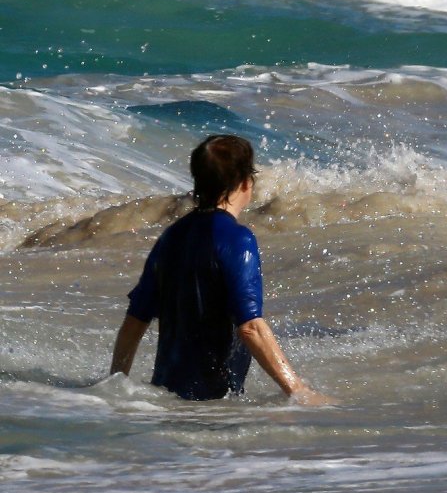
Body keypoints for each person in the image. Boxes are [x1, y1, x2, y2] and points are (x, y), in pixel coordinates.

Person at [110, 134, 330, 404]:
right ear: (246, 182)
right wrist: (298, 390)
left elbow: (134, 322)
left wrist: (115, 386)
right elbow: (250, 327)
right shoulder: (238, 239)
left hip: (166, 402)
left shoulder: (171, 237)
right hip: (212, 405)